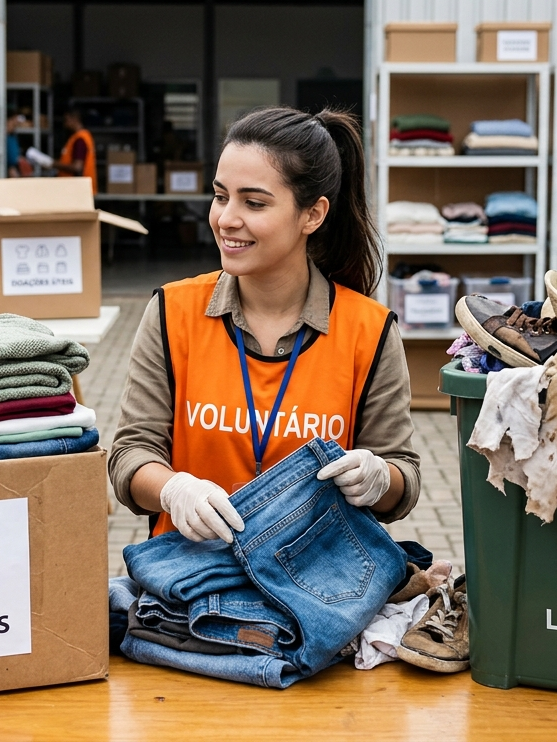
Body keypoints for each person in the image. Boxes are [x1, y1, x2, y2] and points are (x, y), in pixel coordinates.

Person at [108, 106, 421, 544]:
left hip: (318, 589)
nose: (226, 219)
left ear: (312, 215)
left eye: (253, 202)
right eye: (221, 196)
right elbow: (130, 454)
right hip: (189, 580)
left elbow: (402, 476)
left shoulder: (369, 331)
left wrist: (380, 478)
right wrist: (173, 489)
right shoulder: (172, 312)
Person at [55, 107, 97, 193]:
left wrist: (53, 164)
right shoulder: (80, 137)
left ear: (74, 119)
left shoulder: (80, 139)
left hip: (78, 190)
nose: (65, 124)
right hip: (78, 189)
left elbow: (77, 167)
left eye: (66, 120)